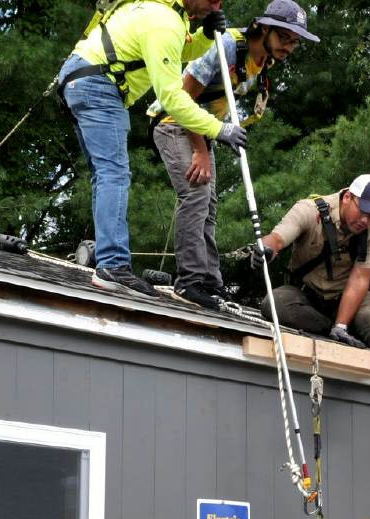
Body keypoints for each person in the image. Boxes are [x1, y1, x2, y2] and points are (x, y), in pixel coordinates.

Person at [55, 0, 249, 297]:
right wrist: (220, 129)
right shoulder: (165, 21)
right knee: (114, 174)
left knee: (105, 175)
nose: (217, 5)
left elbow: (178, 53)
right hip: (98, 83)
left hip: (83, 78)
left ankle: (110, 261)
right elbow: (173, 99)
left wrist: (205, 37)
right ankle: (113, 265)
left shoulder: (170, 14)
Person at [147, 0, 318, 309]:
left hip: (203, 130)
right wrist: (200, 151)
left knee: (209, 206)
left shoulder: (263, 60)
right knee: (196, 195)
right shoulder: (227, 45)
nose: (290, 47)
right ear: (263, 28)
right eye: (284, 38)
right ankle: (189, 281)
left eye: (295, 42)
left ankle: (210, 281)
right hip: (175, 124)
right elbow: (183, 97)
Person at [254, 175, 370, 436]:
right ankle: (341, 331)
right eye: (363, 211)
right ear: (347, 197)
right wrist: (266, 248)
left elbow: (360, 278)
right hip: (308, 297)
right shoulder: (310, 210)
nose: (366, 220)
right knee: (274, 303)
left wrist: (344, 322)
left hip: (351, 296)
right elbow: (278, 237)